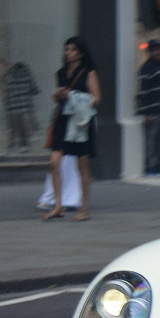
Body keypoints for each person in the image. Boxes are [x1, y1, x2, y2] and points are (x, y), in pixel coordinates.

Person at [44, 36, 101, 222]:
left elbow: (96, 99)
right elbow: (59, 99)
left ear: (80, 53)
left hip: (80, 124)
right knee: (54, 163)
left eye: (72, 50)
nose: (68, 53)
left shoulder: (88, 72)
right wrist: (57, 95)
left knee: (82, 165)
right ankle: (58, 205)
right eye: (67, 50)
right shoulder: (61, 73)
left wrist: (74, 96)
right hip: (62, 119)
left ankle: (84, 208)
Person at [137, 39, 160, 176]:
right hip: (153, 111)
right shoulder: (147, 68)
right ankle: (149, 167)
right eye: (153, 50)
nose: (157, 52)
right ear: (149, 52)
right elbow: (144, 91)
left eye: (158, 49)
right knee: (151, 140)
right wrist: (146, 112)